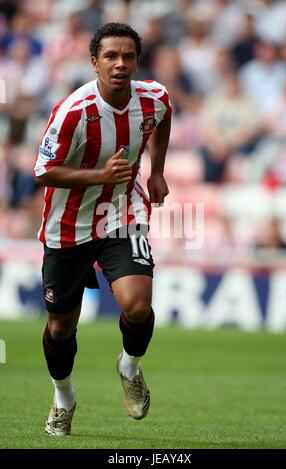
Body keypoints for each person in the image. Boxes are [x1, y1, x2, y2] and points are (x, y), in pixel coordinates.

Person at [33, 22, 172, 436]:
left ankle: (129, 367)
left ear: (137, 61)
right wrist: (98, 175)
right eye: (110, 56)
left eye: (128, 56)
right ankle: (63, 397)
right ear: (94, 62)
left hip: (121, 213)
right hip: (68, 225)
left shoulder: (154, 98)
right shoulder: (73, 111)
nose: (120, 64)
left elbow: (164, 118)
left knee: (137, 305)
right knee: (61, 327)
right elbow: (42, 171)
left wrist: (157, 172)